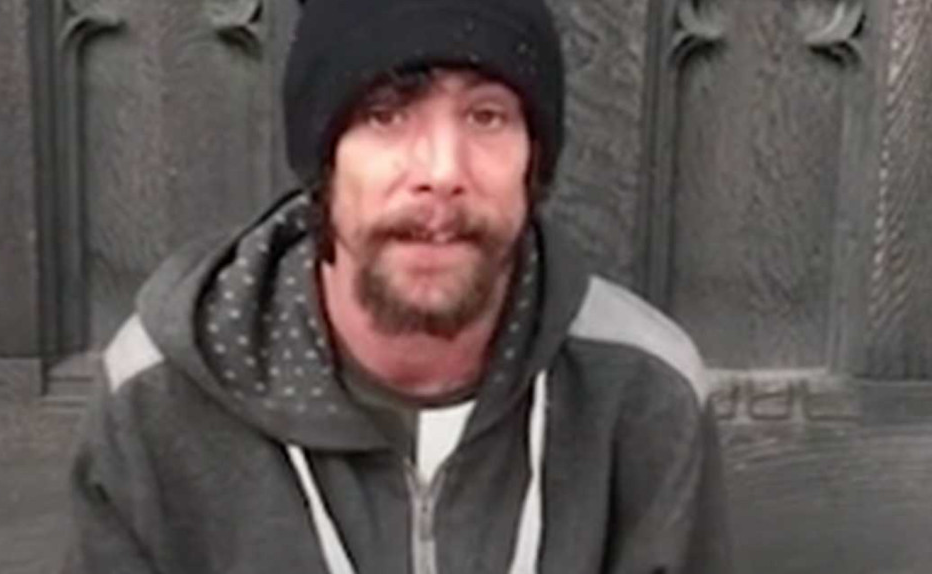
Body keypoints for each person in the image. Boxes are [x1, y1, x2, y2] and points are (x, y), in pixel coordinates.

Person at [62, 0, 733, 572]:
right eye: (386, 114)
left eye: (486, 117)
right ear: (323, 166)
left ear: (534, 163)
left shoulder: (644, 396)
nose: (442, 171)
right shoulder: (160, 402)